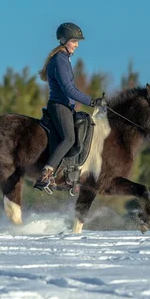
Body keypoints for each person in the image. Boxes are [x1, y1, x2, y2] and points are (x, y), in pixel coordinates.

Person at [33, 22, 107, 192]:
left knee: (82, 131)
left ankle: (69, 175)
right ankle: (46, 173)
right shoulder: (60, 60)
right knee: (69, 139)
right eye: (74, 41)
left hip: (66, 106)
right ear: (65, 40)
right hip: (60, 106)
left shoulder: (64, 59)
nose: (77, 45)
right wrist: (92, 101)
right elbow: (68, 89)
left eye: (77, 41)